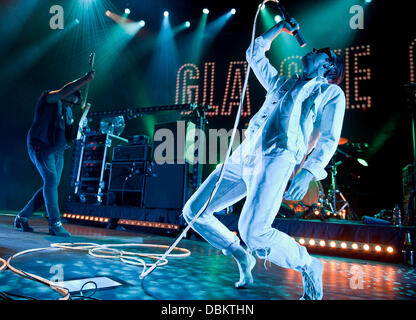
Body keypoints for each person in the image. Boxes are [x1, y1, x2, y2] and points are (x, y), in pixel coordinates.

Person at [182, 19, 346, 300]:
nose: (311, 49)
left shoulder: (330, 93)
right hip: (244, 156)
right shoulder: (281, 84)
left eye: (320, 51)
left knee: (254, 230)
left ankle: (308, 264)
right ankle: (239, 254)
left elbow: (330, 138)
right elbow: (255, 54)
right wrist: (279, 27)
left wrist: (307, 173)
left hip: (277, 159)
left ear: (328, 66)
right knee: (194, 211)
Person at [14, 70, 95, 237]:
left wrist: (83, 119)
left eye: (75, 102)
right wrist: (86, 79)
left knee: (50, 185)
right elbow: (64, 91)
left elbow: (71, 135)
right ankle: (55, 224)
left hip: (58, 151)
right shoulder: (49, 98)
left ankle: (22, 217)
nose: (73, 103)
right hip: (41, 147)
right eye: (73, 99)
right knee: (50, 181)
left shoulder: (68, 111)